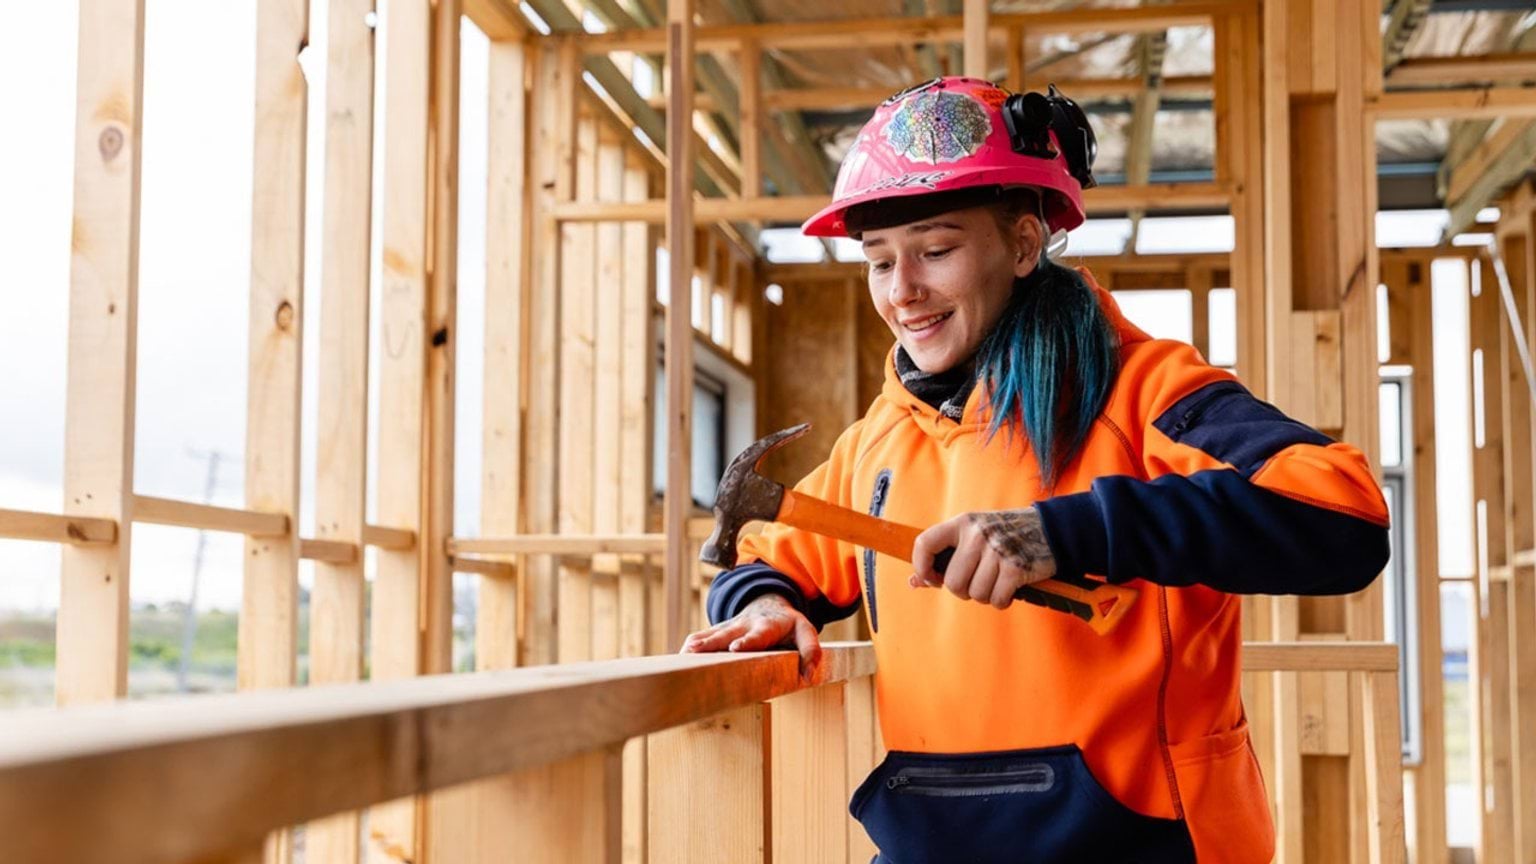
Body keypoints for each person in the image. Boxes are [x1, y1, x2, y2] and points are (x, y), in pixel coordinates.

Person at [681, 76, 1388, 864]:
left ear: (1022, 245)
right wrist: (764, 604)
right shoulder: (881, 441)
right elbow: (772, 554)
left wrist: (1070, 530)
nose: (903, 291)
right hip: (933, 844)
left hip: (1140, 844)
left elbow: (1344, 515)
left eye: (935, 250)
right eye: (879, 262)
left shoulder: (1143, 391)